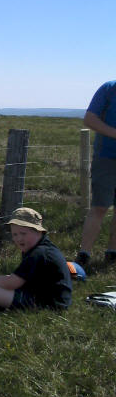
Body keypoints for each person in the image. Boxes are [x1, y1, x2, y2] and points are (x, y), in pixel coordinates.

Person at [0, 207, 72, 309]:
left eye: (23, 233)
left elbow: (12, 283)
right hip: (43, 296)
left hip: (50, 304)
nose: (19, 238)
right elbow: (20, 278)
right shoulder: (38, 249)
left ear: (38, 231)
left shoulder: (38, 254)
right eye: (15, 234)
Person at [76, 80, 116, 269]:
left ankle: (112, 253)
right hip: (106, 157)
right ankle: (84, 254)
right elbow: (89, 119)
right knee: (100, 207)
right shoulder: (109, 89)